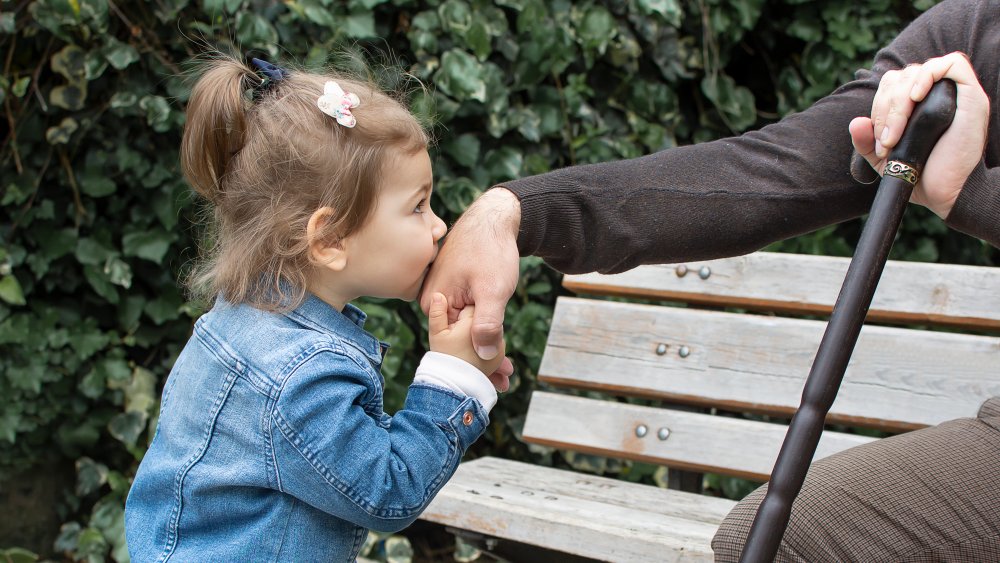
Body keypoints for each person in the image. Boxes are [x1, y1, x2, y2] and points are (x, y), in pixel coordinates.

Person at [421, 0, 998, 560]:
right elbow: (774, 171)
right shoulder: (975, 26)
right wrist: (516, 212)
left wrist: (968, 195)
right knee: (776, 537)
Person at [124, 55, 505, 561]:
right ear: (329, 239)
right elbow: (386, 492)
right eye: (417, 206)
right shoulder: (297, 375)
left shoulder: (243, 325)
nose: (439, 226)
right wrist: (456, 381)